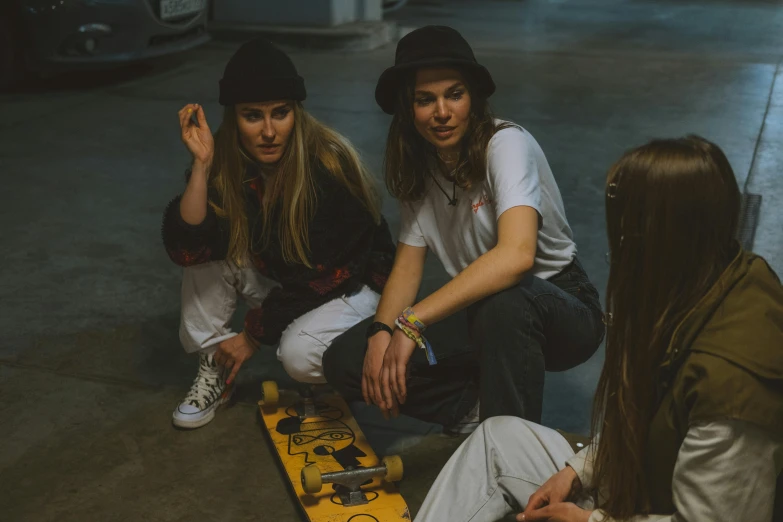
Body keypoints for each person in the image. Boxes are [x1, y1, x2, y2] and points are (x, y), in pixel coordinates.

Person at [413, 135, 783, 522]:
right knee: (496, 438)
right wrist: (580, 469)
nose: (620, 249)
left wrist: (590, 521)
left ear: (662, 239)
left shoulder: (732, 386)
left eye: (628, 236)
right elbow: (649, 415)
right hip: (646, 488)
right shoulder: (708, 276)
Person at [322, 25, 604, 430]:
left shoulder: (505, 144)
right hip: (487, 309)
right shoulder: (422, 166)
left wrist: (412, 322)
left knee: (505, 301)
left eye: (454, 94)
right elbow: (406, 266)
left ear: (473, 97)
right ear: (408, 108)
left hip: (562, 304)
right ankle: (472, 410)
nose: (441, 112)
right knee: (349, 361)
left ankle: (512, 454)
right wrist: (383, 331)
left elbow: (517, 256)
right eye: (425, 100)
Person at [161, 38, 395, 429]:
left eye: (280, 113)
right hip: (287, 280)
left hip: (352, 287)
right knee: (206, 257)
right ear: (234, 118)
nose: (269, 131)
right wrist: (202, 166)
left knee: (298, 355)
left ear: (296, 113)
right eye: (253, 116)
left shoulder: (329, 167)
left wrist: (253, 336)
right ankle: (216, 365)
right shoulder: (230, 162)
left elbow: (326, 279)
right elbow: (187, 247)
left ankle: (349, 362)